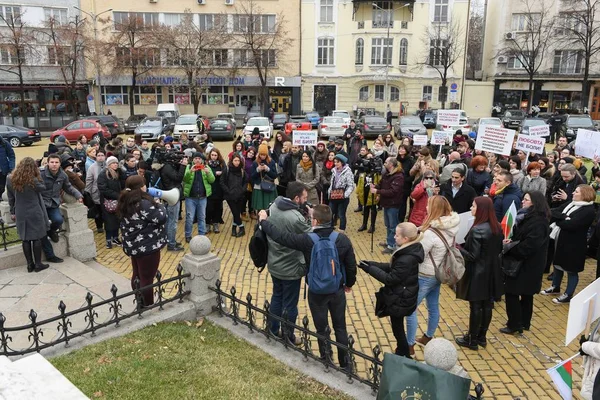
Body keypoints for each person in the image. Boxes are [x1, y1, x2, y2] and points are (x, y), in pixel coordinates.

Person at [259, 204, 357, 369]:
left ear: (316, 221)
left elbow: (281, 237)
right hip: (337, 290)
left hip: (316, 291)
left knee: (321, 328)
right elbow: (351, 266)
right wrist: (349, 284)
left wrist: (264, 221)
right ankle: (346, 365)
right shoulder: (342, 239)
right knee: (340, 327)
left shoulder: (307, 240)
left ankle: (327, 359)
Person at [360, 222, 423, 358]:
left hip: (401, 297)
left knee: (398, 329)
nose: (394, 237)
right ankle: (402, 350)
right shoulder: (408, 251)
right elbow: (391, 267)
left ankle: (404, 353)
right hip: (403, 293)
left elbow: (390, 278)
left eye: (397, 235)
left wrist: (370, 269)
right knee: (397, 327)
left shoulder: (406, 258)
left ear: (405, 239)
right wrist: (372, 264)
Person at [407, 196, 459, 355]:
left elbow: (420, 253)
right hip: (438, 272)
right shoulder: (452, 226)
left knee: (410, 309)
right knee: (433, 305)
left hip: (425, 273)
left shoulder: (431, 232)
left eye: (429, 205)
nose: (427, 208)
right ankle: (428, 336)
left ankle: (409, 345)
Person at [263, 182, 311, 344]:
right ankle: (288, 335)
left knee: (277, 297)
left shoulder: (275, 206)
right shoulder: (295, 218)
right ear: (296, 198)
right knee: (290, 304)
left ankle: (273, 329)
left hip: (274, 263)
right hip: (291, 267)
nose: (306, 201)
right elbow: (310, 237)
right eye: (304, 198)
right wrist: (310, 217)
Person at [455, 196, 504, 350]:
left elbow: (473, 256)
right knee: (487, 305)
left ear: (481, 209)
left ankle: (472, 339)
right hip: (492, 271)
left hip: (478, 272)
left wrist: (458, 248)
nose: (471, 208)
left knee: (476, 306)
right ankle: (482, 337)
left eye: (474, 206)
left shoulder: (477, 229)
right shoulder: (496, 227)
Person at [501, 191, 550, 334]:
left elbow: (529, 245)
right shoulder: (529, 217)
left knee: (513, 292)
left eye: (526, 200)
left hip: (527, 264)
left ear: (535, 203)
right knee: (526, 294)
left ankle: (515, 324)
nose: (523, 202)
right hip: (527, 263)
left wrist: (511, 248)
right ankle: (523, 322)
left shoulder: (538, 222)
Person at [118, 175, 167, 307]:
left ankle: (139, 300)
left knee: (137, 274)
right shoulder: (144, 203)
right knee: (147, 278)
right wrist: (158, 204)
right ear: (141, 187)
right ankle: (148, 306)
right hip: (148, 246)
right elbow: (161, 218)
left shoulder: (125, 200)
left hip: (134, 246)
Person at [542, 184, 596, 303]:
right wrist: (563, 217)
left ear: (584, 195)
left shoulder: (588, 211)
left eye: (576, 192)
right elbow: (553, 212)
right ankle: (555, 287)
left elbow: (572, 225)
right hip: (560, 240)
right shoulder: (571, 204)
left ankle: (568, 294)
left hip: (574, 245)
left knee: (571, 270)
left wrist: (560, 220)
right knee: (557, 266)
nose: (573, 193)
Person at [7, 157, 50, 273]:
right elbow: (43, 187)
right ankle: (38, 264)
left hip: (20, 211)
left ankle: (29, 265)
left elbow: (11, 198)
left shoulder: (11, 179)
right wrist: (38, 175)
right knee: (36, 237)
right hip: (34, 211)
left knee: (25, 239)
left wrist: (12, 211)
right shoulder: (33, 180)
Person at [40, 154, 82, 263]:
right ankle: (50, 255)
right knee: (42, 230)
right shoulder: (40, 174)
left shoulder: (63, 175)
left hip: (53, 203)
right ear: (48, 163)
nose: (54, 165)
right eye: (52, 162)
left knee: (58, 220)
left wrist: (78, 195)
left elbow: (68, 187)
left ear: (59, 164)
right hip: (41, 204)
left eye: (56, 162)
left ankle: (52, 231)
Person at [371, 157, 404, 253]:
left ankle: (393, 245)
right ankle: (389, 241)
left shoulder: (398, 176)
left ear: (391, 164)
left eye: (386, 162)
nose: (384, 164)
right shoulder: (386, 174)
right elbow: (381, 184)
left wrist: (377, 191)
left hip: (393, 204)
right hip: (386, 203)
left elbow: (393, 191)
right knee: (388, 224)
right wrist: (375, 186)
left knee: (393, 225)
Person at [158, 147, 188, 251]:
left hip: (171, 195)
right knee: (172, 222)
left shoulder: (169, 166)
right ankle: (171, 244)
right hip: (172, 197)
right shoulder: (167, 168)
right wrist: (183, 166)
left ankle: (171, 240)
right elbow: (178, 178)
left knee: (170, 221)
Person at [183, 152, 215, 242]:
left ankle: (202, 234)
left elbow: (212, 180)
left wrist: (208, 173)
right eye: (196, 158)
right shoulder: (189, 167)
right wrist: (190, 172)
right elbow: (184, 179)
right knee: (189, 217)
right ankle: (188, 235)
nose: (197, 160)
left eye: (199, 158)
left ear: (202, 160)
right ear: (192, 159)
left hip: (202, 197)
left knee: (202, 217)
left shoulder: (206, 167)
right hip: (190, 197)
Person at [97, 156, 124, 249]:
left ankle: (115, 237)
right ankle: (108, 239)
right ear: (108, 164)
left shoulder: (119, 173)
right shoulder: (103, 174)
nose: (115, 165)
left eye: (116, 163)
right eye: (113, 163)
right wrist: (117, 195)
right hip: (107, 201)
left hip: (118, 201)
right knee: (109, 221)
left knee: (117, 219)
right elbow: (103, 188)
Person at [220, 154, 247, 237]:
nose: (237, 162)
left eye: (238, 161)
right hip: (230, 196)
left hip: (240, 195)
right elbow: (222, 182)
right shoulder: (227, 170)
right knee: (235, 212)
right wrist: (228, 191)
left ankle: (234, 228)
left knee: (236, 212)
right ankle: (242, 228)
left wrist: (242, 190)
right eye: (235, 160)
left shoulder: (242, 171)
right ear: (232, 161)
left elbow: (245, 182)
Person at [355, 152, 382, 233]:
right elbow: (359, 183)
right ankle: (364, 224)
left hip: (373, 194)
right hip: (365, 193)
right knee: (365, 208)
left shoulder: (376, 174)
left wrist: (379, 195)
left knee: (373, 209)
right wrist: (358, 193)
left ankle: (372, 225)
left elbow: (379, 184)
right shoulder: (363, 173)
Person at [328, 154, 355, 232]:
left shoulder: (348, 172)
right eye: (335, 162)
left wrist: (345, 195)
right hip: (333, 195)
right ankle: (330, 228)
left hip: (343, 198)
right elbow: (332, 182)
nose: (336, 164)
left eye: (338, 162)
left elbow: (351, 186)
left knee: (341, 214)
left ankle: (342, 229)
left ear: (342, 162)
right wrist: (329, 192)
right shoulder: (333, 170)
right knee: (330, 212)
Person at [251, 143, 278, 212]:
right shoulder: (255, 162)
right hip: (258, 187)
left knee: (269, 207)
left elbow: (275, 175)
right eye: (261, 154)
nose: (262, 156)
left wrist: (268, 169)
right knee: (259, 208)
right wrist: (257, 170)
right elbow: (252, 177)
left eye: (264, 154)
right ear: (258, 154)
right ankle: (260, 221)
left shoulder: (271, 162)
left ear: (267, 154)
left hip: (269, 186)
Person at [85, 150, 106, 234]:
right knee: (98, 210)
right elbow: (89, 180)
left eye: (102, 155)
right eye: (99, 155)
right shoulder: (92, 167)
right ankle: (99, 226)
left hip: (106, 192)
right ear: (96, 157)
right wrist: (87, 193)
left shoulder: (108, 166)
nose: (100, 157)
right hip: (96, 192)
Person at [205, 148, 226, 233]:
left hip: (219, 189)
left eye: (215, 155)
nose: (213, 157)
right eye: (212, 155)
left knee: (218, 208)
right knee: (209, 208)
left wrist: (221, 173)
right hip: (210, 189)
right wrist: (214, 173)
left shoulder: (221, 164)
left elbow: (225, 173)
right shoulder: (207, 164)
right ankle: (207, 224)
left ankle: (216, 223)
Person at [0, 134, 16, 200]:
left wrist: (11, 168)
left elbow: (11, 156)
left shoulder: (4, 143)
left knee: (1, 188)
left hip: (3, 171)